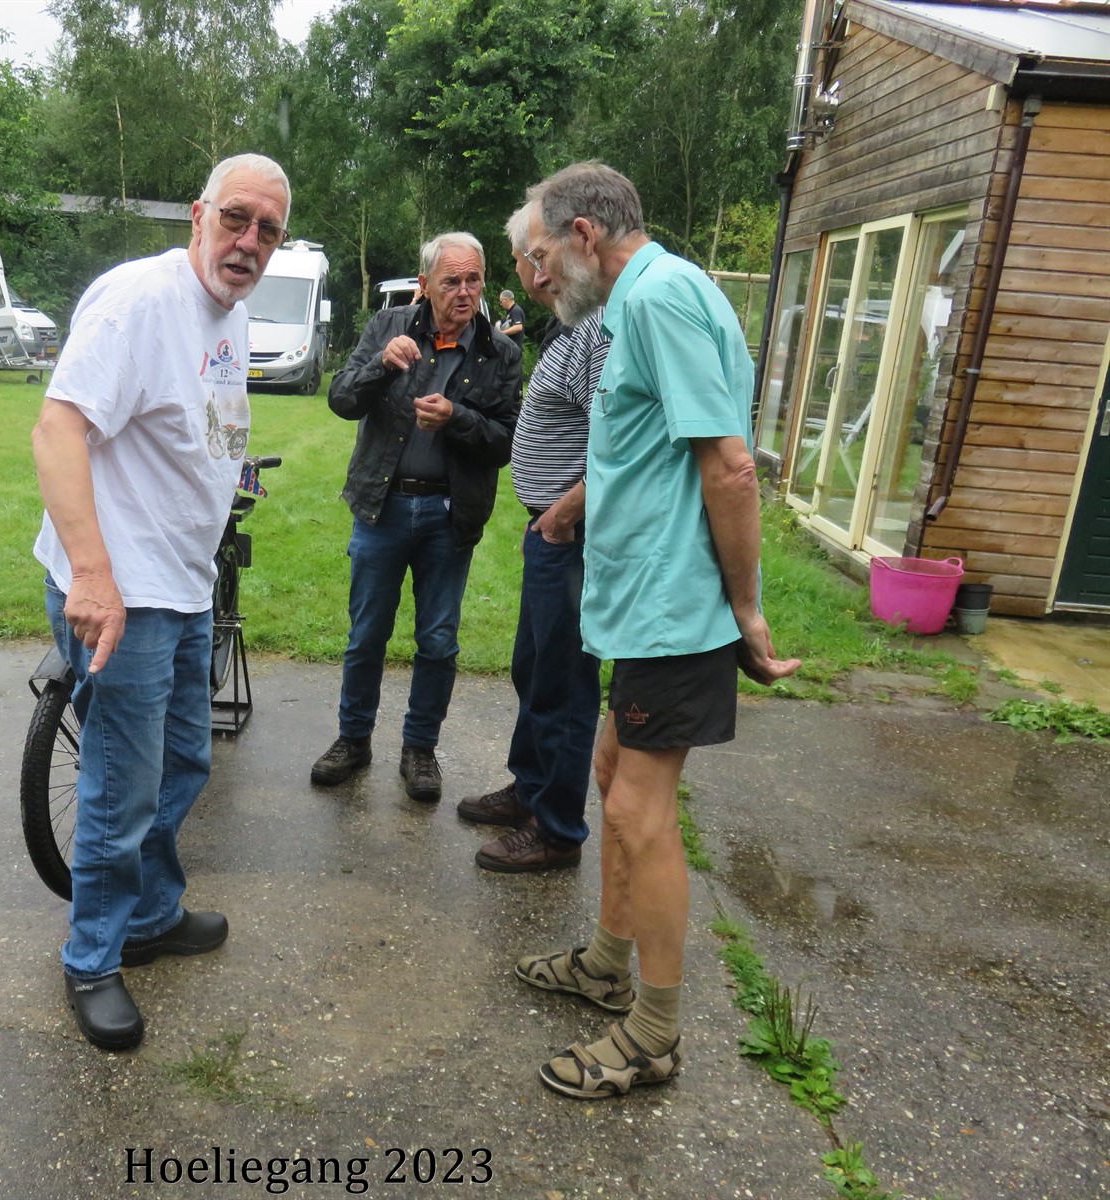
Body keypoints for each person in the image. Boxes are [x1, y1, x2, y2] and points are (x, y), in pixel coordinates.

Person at [512, 162, 800, 1100]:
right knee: (611, 776)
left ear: (585, 234)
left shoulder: (661, 298)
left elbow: (730, 467)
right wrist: (573, 508)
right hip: (643, 607)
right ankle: (606, 964)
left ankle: (654, 1033)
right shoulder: (639, 300)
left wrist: (746, 610)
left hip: (675, 610)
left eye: (545, 253)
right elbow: (651, 448)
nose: (541, 275)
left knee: (640, 811)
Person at [31, 152, 292, 1052]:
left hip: (183, 581)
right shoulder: (138, 301)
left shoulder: (232, 311)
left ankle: (149, 913)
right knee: (122, 789)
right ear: (197, 214)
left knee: (184, 762)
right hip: (123, 591)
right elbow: (58, 428)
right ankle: (93, 958)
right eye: (236, 218)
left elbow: (200, 430)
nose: (248, 241)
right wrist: (91, 576)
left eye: (267, 230)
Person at [311, 233, 520, 803]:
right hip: (382, 506)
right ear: (425, 285)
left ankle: (420, 748)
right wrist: (381, 365)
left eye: (473, 279)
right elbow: (341, 399)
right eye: (451, 281)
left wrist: (457, 418)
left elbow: (506, 441)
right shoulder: (390, 327)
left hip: (450, 515)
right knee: (366, 634)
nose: (464, 292)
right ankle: (353, 739)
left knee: (438, 640)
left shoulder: (500, 352)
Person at [456, 200, 607, 873]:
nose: (536, 275)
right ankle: (530, 789)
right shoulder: (569, 325)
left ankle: (556, 828)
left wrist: (567, 512)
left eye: (537, 260)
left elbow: (620, 442)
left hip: (572, 533)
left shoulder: (598, 328)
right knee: (534, 668)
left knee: (564, 684)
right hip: (551, 530)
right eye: (531, 263)